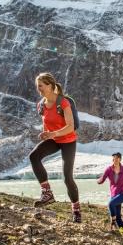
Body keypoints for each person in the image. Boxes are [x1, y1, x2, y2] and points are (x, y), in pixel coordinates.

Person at [29, 72, 81, 223]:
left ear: (50, 86)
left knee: (67, 178)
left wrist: (53, 134)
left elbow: (71, 127)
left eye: (41, 86)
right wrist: (46, 134)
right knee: (34, 156)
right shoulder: (41, 105)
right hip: (54, 139)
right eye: (37, 86)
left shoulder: (63, 102)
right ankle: (47, 193)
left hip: (68, 141)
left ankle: (76, 211)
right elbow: (47, 123)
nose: (39, 89)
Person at [97, 152, 123, 230]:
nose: (114, 160)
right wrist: (98, 181)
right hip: (114, 195)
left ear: (120, 159)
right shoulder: (109, 169)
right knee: (118, 216)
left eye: (116, 158)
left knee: (110, 204)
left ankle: (113, 222)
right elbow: (102, 180)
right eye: (113, 158)